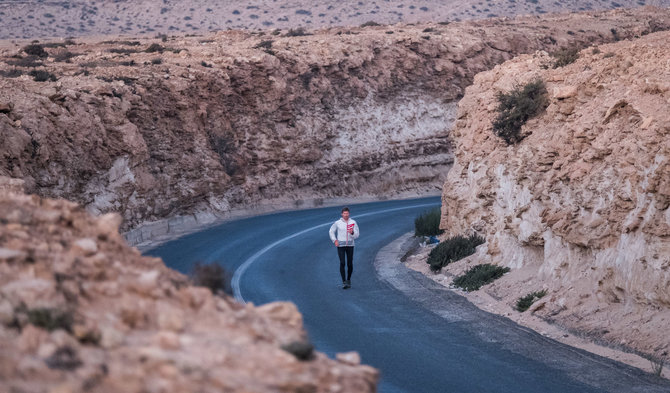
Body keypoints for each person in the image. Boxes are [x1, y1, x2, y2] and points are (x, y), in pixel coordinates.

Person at [329, 207, 360, 289]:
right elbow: (331, 231)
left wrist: (352, 232)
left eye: (347, 213)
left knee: (350, 263)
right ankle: (344, 282)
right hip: (341, 246)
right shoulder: (337, 223)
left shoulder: (353, 222)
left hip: (350, 245)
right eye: (344, 213)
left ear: (349, 214)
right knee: (342, 262)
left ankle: (348, 279)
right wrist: (334, 240)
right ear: (342, 214)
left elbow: (357, 235)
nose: (346, 215)